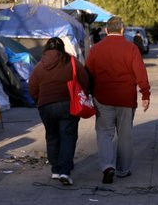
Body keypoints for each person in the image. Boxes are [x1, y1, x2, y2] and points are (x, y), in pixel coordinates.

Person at [85, 17, 151, 184]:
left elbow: (88, 74)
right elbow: (140, 73)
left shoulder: (95, 49)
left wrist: (88, 92)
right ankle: (123, 170)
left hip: (103, 97)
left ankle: (108, 166)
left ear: (106, 31)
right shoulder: (131, 49)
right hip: (126, 98)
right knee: (125, 135)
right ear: (122, 30)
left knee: (104, 133)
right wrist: (145, 94)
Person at [28, 37, 90, 186]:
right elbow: (85, 80)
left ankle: (55, 169)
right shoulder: (73, 62)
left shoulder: (39, 66)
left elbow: (32, 88)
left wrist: (39, 101)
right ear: (62, 48)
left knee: (52, 136)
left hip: (46, 106)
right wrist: (84, 94)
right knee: (68, 136)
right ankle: (64, 171)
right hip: (68, 105)